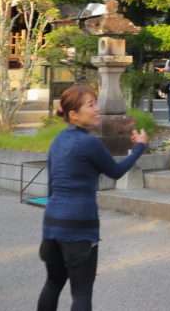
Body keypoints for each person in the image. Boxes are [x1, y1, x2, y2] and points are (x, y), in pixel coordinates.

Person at [37, 85, 148, 311]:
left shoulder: (57, 141)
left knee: (53, 282)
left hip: (52, 224)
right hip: (80, 226)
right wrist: (139, 148)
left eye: (95, 103)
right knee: (81, 292)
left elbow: (51, 185)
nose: (97, 109)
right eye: (91, 105)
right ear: (73, 114)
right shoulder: (89, 143)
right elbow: (115, 172)